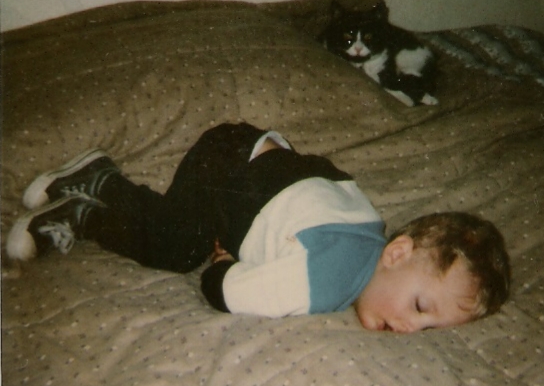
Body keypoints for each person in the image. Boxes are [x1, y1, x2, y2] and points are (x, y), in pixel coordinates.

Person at [6, 123, 511, 332]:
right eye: (420, 307)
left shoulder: (368, 227)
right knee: (178, 247)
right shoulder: (329, 279)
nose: (411, 327)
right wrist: (221, 270)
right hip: (226, 168)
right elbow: (233, 295)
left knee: (180, 225)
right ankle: (88, 207)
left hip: (257, 153)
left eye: (431, 326)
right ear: (397, 253)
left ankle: (99, 179)